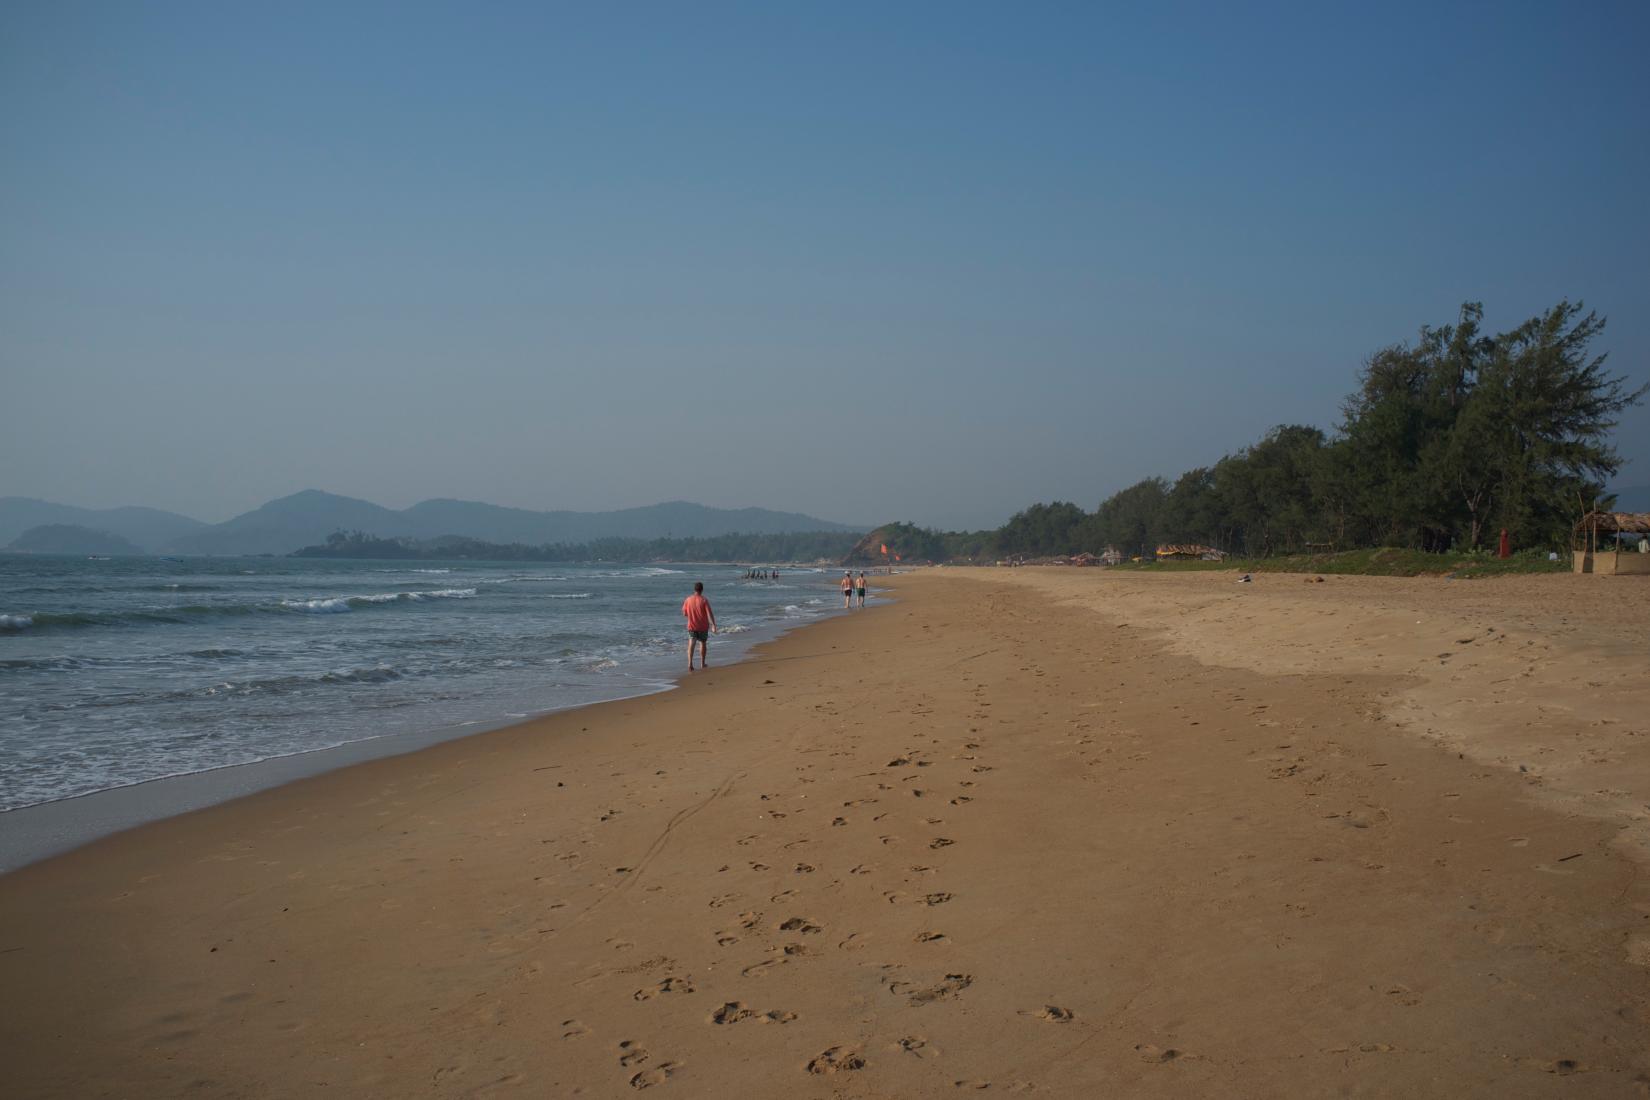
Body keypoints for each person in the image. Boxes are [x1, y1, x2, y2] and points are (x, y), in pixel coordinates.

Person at [682, 581, 717, 670]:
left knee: (691, 643)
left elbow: (684, 613)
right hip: (702, 627)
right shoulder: (704, 600)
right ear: (702, 590)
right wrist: (713, 625)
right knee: (703, 643)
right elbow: (709, 614)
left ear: (694, 589)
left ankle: (690, 664)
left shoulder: (688, 599)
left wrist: (692, 614)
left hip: (692, 626)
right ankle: (702, 663)